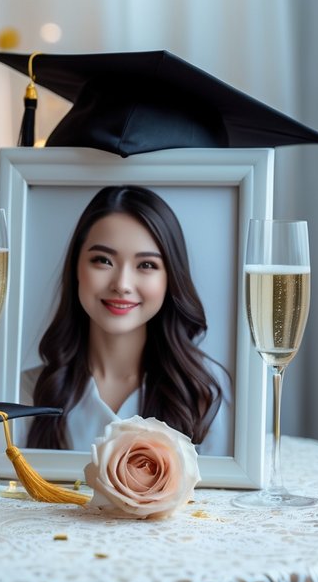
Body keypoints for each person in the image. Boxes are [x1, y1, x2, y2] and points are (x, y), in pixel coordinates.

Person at [21, 185, 231, 454]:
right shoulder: (27, 392)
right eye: (103, 260)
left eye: (146, 265)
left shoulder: (203, 390)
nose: (122, 284)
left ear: (170, 279)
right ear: (76, 267)